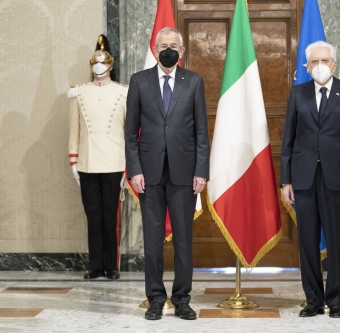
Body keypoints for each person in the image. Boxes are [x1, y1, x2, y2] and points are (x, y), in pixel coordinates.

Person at [125, 27, 209, 321]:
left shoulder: (194, 82)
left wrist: (201, 171)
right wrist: (134, 170)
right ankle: (156, 299)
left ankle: (182, 299)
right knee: (152, 241)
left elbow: (201, 132)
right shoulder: (139, 82)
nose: (168, 50)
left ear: (182, 51)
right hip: (148, 175)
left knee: (184, 241)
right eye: (163, 45)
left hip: (184, 174)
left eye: (173, 46)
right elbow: (130, 133)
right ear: (154, 49)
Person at [280, 41, 340, 318]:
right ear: (307, 66)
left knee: (336, 242)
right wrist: (286, 181)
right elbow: (288, 141)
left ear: (335, 64)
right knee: (307, 242)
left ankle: (337, 301)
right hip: (303, 179)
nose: (320, 66)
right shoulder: (298, 93)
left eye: (325, 61)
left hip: (338, 178)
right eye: (314, 62)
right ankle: (313, 300)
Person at [68, 35, 127, 280]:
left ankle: (111, 266)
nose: (99, 66)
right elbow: (74, 130)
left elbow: (129, 131)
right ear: (91, 65)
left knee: (110, 215)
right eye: (95, 62)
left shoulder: (124, 92)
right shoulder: (78, 94)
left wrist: (128, 167)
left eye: (103, 62)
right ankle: (95, 266)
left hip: (114, 162)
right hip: (88, 162)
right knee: (92, 215)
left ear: (111, 65)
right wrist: (73, 161)